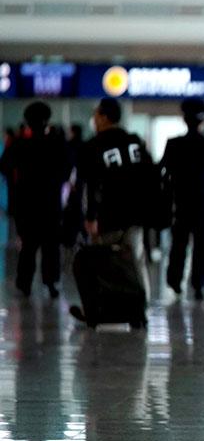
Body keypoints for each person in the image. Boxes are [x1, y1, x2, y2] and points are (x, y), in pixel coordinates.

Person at [69, 97, 157, 325]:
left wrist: (89, 218)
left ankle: (102, 309)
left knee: (107, 263)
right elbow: (149, 175)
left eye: (96, 115)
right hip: (136, 214)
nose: (94, 119)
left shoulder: (92, 146)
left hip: (108, 216)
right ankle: (140, 310)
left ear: (104, 117)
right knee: (135, 261)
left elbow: (87, 185)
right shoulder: (134, 142)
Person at [0, 101, 70, 298]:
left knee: (28, 246)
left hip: (26, 204)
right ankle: (50, 282)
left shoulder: (19, 144)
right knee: (50, 246)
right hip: (50, 203)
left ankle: (24, 283)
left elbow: (4, 166)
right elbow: (66, 170)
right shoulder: (57, 142)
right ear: (47, 119)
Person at [161, 97, 204, 300]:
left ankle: (174, 280)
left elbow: (164, 170)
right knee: (202, 245)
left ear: (183, 118)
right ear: (203, 120)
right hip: (203, 202)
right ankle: (199, 284)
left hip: (180, 201)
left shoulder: (173, 144)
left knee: (179, 242)